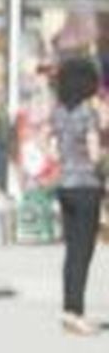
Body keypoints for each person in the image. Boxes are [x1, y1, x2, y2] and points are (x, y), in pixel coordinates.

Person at [48, 55, 104, 335]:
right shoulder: (87, 112)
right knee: (84, 252)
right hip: (86, 185)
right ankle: (76, 312)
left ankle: (69, 308)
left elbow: (54, 149)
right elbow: (94, 155)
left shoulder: (58, 111)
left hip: (65, 183)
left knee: (71, 252)